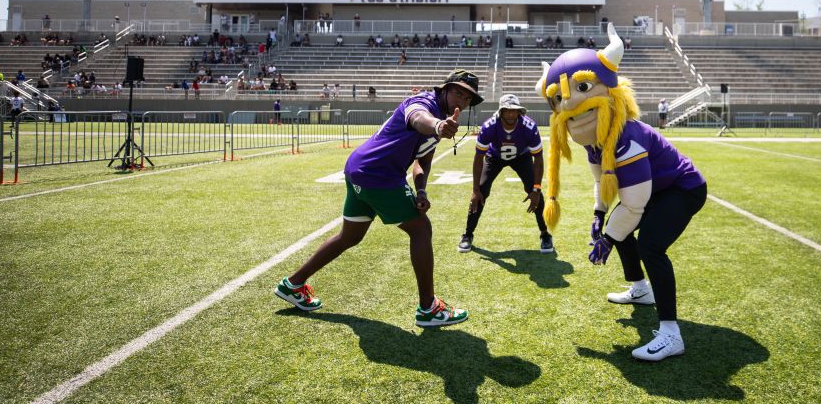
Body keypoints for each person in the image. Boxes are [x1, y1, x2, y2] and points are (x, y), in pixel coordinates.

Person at [536, 24, 707, 361]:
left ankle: (671, 333)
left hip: (683, 188)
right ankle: (641, 289)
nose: (569, 102)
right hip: (656, 188)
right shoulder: (596, 139)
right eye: (559, 98)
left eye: (582, 89)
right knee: (620, 227)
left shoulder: (625, 136)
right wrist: (599, 215)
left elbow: (634, 203)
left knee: (650, 245)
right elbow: (604, 182)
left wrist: (607, 239)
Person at [275, 70, 484, 328]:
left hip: (360, 169)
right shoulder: (424, 104)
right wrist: (439, 126)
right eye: (458, 92)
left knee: (349, 237)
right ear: (444, 90)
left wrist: (421, 191)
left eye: (467, 98)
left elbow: (422, 162)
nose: (461, 100)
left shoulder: (440, 115)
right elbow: (420, 119)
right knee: (421, 229)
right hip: (379, 174)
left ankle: (293, 284)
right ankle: (428, 308)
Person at [458, 94, 551, 254]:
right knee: (481, 190)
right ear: (500, 112)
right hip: (495, 156)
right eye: (506, 111)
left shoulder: (529, 127)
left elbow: (539, 159)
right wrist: (475, 190)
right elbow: (478, 158)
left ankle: (545, 234)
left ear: (519, 112)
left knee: (535, 192)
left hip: (521, 156)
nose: (510, 114)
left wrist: (536, 189)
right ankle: (467, 234)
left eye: (514, 111)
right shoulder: (489, 126)